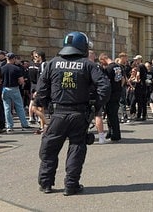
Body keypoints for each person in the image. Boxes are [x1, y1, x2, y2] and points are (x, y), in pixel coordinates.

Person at [37, 31, 110, 196]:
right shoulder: (89, 65)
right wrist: (95, 106)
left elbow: (41, 89)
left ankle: (46, 183)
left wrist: (47, 106)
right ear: (83, 47)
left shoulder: (52, 63)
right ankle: (71, 185)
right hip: (79, 113)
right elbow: (104, 87)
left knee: (49, 149)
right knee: (77, 148)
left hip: (58, 113)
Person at [1, 53, 32, 133]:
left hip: (5, 89)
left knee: (7, 108)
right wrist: (22, 83)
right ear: (13, 58)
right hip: (14, 88)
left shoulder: (2, 68)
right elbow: (21, 80)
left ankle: (9, 126)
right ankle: (24, 124)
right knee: (19, 107)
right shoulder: (16, 68)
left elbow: (0, 80)